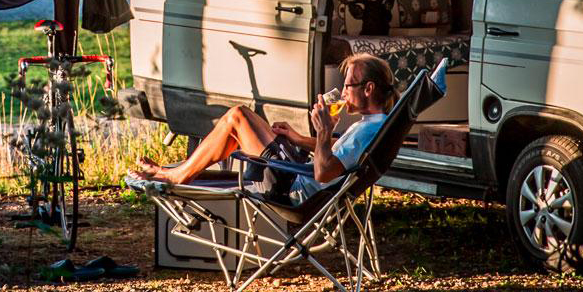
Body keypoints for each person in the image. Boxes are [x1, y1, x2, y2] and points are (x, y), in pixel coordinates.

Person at [133, 53, 397, 201]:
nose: (343, 91)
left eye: (348, 85)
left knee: (238, 117)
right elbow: (335, 158)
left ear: (368, 89)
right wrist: (297, 138)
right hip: (297, 172)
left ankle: (178, 176)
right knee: (245, 122)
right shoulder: (375, 126)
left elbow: (324, 173)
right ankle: (182, 172)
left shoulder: (367, 131)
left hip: (293, 186)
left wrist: (324, 132)